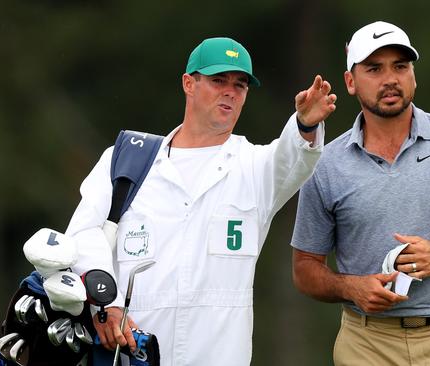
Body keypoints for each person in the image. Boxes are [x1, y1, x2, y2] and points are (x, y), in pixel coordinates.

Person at [65, 37, 336, 365]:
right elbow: (82, 234)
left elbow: (293, 157)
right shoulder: (126, 161)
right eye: (218, 80)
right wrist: (106, 303)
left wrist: (304, 124)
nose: (230, 91)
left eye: (240, 85)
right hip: (129, 354)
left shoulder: (254, 168)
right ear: (189, 83)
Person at [290, 21, 430, 365]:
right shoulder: (325, 163)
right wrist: (351, 288)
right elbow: (305, 268)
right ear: (351, 82)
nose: (390, 79)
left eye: (401, 66)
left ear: (413, 75)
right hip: (366, 344)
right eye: (374, 69)